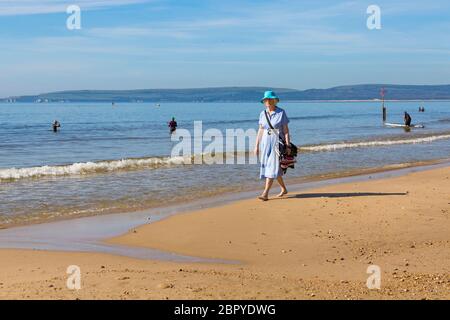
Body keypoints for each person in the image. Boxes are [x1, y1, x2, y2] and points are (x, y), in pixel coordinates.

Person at [254, 91, 292, 201]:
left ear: (274, 100)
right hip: (265, 144)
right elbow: (260, 130)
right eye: (266, 100)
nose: (268, 101)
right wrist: (256, 146)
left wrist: (288, 144)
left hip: (277, 144)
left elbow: (285, 131)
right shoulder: (262, 113)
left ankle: (265, 193)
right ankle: (284, 189)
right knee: (271, 168)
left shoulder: (281, 112)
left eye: (270, 99)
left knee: (271, 167)